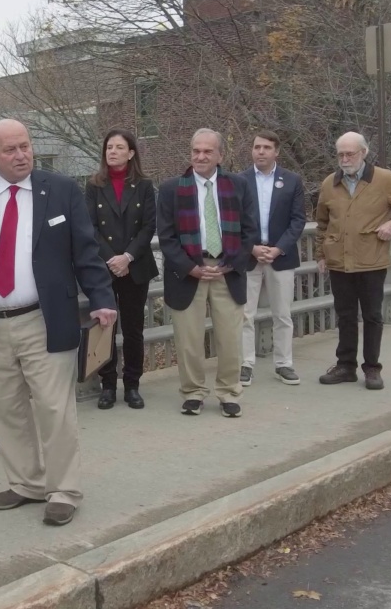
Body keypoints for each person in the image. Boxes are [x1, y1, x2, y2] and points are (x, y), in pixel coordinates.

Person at [0, 119, 116, 527]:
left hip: (44, 318)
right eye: (11, 149)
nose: (21, 155)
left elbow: (85, 251)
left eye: (25, 146)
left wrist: (103, 300)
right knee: (5, 409)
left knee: (55, 408)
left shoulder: (62, 190)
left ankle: (64, 489)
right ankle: (27, 484)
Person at [157, 128, 258, 418]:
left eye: (207, 151)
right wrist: (192, 268)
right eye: (196, 151)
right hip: (188, 271)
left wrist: (228, 265)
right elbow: (166, 237)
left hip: (227, 270)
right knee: (188, 340)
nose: (200, 156)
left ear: (220, 155)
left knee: (230, 338)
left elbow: (250, 232)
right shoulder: (171, 189)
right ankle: (192, 392)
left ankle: (228, 392)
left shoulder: (238, 186)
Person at [315, 132, 391, 390]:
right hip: (339, 260)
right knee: (345, 315)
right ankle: (345, 366)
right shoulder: (330, 183)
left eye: (349, 153)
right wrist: (321, 254)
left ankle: (372, 368)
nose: (344, 159)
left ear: (363, 153)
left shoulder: (383, 179)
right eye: (340, 154)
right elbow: (322, 222)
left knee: (373, 315)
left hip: (371, 259)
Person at [84, 129, 158, 410]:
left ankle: (132, 385)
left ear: (130, 153)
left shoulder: (144, 185)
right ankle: (108, 385)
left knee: (133, 329)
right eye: (108, 147)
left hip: (135, 266)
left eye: (119, 147)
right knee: (105, 327)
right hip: (104, 268)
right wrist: (111, 259)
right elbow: (89, 226)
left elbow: (149, 226)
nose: (112, 151)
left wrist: (127, 257)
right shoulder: (94, 185)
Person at [238, 131, 307, 386]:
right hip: (249, 257)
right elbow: (233, 222)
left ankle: (284, 364)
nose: (261, 152)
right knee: (245, 314)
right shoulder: (240, 180)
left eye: (266, 147)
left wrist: (278, 249)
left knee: (283, 314)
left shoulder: (291, 180)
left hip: (281, 256)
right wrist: (252, 248)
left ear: (276, 151)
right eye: (257, 147)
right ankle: (245, 364)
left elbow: (298, 219)